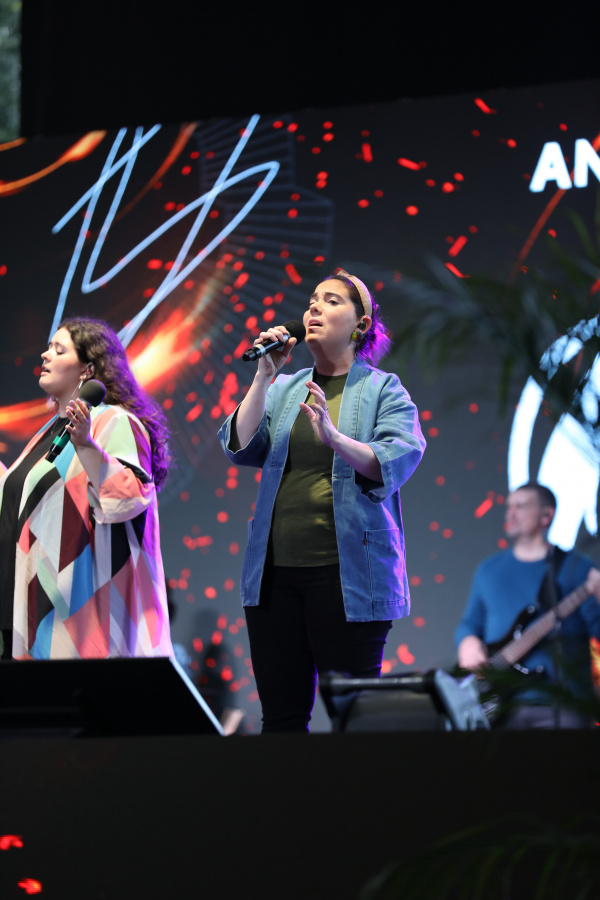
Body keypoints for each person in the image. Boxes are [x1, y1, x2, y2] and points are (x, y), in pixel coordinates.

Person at [218, 269, 426, 732]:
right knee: (281, 719)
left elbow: (395, 458)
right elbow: (241, 446)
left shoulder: (384, 389)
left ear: (361, 325)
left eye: (331, 301)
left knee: (355, 720)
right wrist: (263, 377)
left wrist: (334, 438)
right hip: (275, 578)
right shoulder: (284, 388)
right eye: (313, 299)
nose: (314, 307)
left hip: (348, 578)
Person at [0, 317, 174, 661]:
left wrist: (87, 446)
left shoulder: (115, 420)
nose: (45, 355)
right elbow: (16, 504)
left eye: (58, 349)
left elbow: (130, 495)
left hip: (79, 615)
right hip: (24, 603)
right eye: (48, 348)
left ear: (87, 369)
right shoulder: (47, 433)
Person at [456, 481, 600, 728]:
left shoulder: (578, 567)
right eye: (509, 506)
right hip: (501, 706)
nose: (510, 513)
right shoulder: (489, 570)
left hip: (564, 705)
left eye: (520, 506)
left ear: (546, 516)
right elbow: (469, 623)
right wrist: (467, 643)